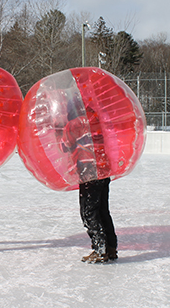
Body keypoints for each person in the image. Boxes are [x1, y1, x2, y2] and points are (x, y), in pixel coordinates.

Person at [63, 105, 118, 263]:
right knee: (102, 210)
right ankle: (111, 248)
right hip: (103, 169)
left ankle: (100, 250)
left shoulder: (74, 123)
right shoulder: (96, 119)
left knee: (89, 212)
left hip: (88, 170)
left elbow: (65, 144)